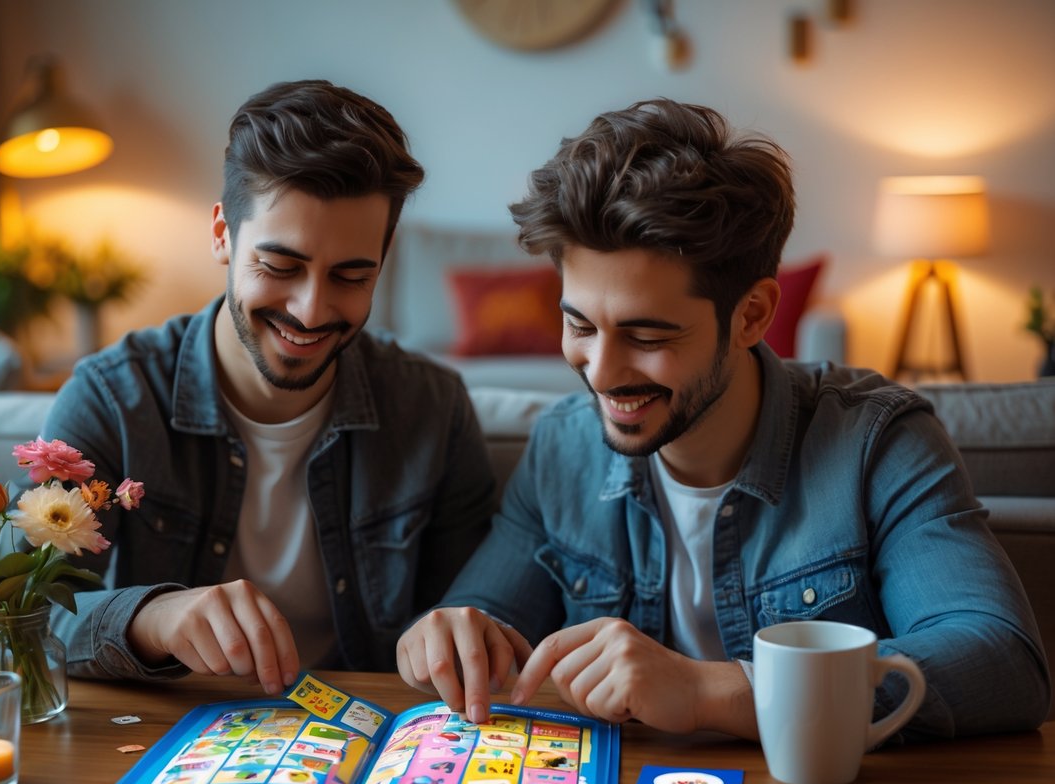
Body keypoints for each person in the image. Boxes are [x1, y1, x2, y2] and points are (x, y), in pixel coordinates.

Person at [396, 98, 1051, 740]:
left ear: (751, 316)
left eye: (646, 336)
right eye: (578, 325)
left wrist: (710, 690)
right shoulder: (561, 446)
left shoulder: (875, 443)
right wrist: (451, 634)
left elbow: (1000, 661)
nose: (598, 371)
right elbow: (486, 618)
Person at [41, 80, 496, 691]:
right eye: (280, 268)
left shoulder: (434, 408)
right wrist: (153, 619)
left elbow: (470, 604)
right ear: (222, 236)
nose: (311, 311)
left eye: (351, 277)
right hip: (170, 734)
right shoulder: (113, 399)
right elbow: (26, 611)